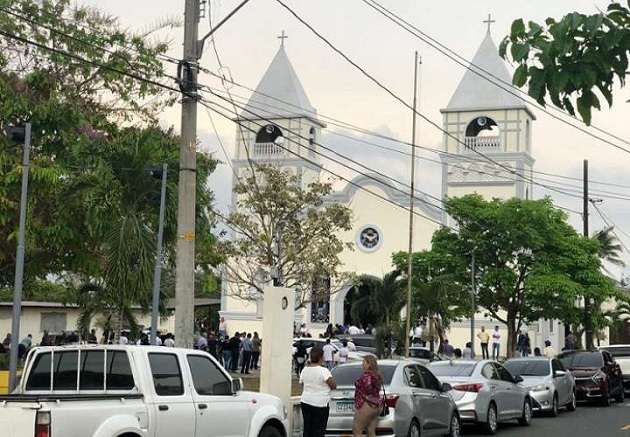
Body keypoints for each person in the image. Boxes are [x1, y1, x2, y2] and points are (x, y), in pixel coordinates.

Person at [300, 346, 336, 437]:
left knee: (307, 428)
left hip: (306, 401)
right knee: (319, 430)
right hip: (320, 403)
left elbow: (302, 383)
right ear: (321, 357)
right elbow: (333, 385)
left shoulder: (305, 370)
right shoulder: (323, 371)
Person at [352, 355, 383, 437]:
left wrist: (366, 395)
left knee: (357, 428)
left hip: (367, 405)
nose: (362, 364)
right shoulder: (375, 375)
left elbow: (368, 386)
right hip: (376, 404)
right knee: (370, 431)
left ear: (369, 364)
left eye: (364, 362)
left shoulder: (367, 375)